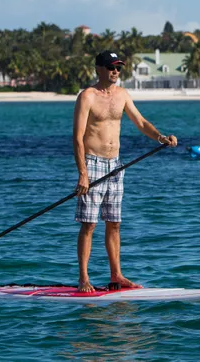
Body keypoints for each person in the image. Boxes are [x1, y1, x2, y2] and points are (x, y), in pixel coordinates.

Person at [73, 50, 177, 293]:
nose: (115, 72)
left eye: (118, 68)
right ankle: (83, 278)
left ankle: (116, 275)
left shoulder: (122, 95)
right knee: (89, 224)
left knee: (115, 223)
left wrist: (161, 137)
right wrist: (83, 174)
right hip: (93, 164)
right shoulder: (87, 96)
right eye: (111, 67)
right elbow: (77, 138)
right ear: (99, 69)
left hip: (116, 165)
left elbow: (141, 123)